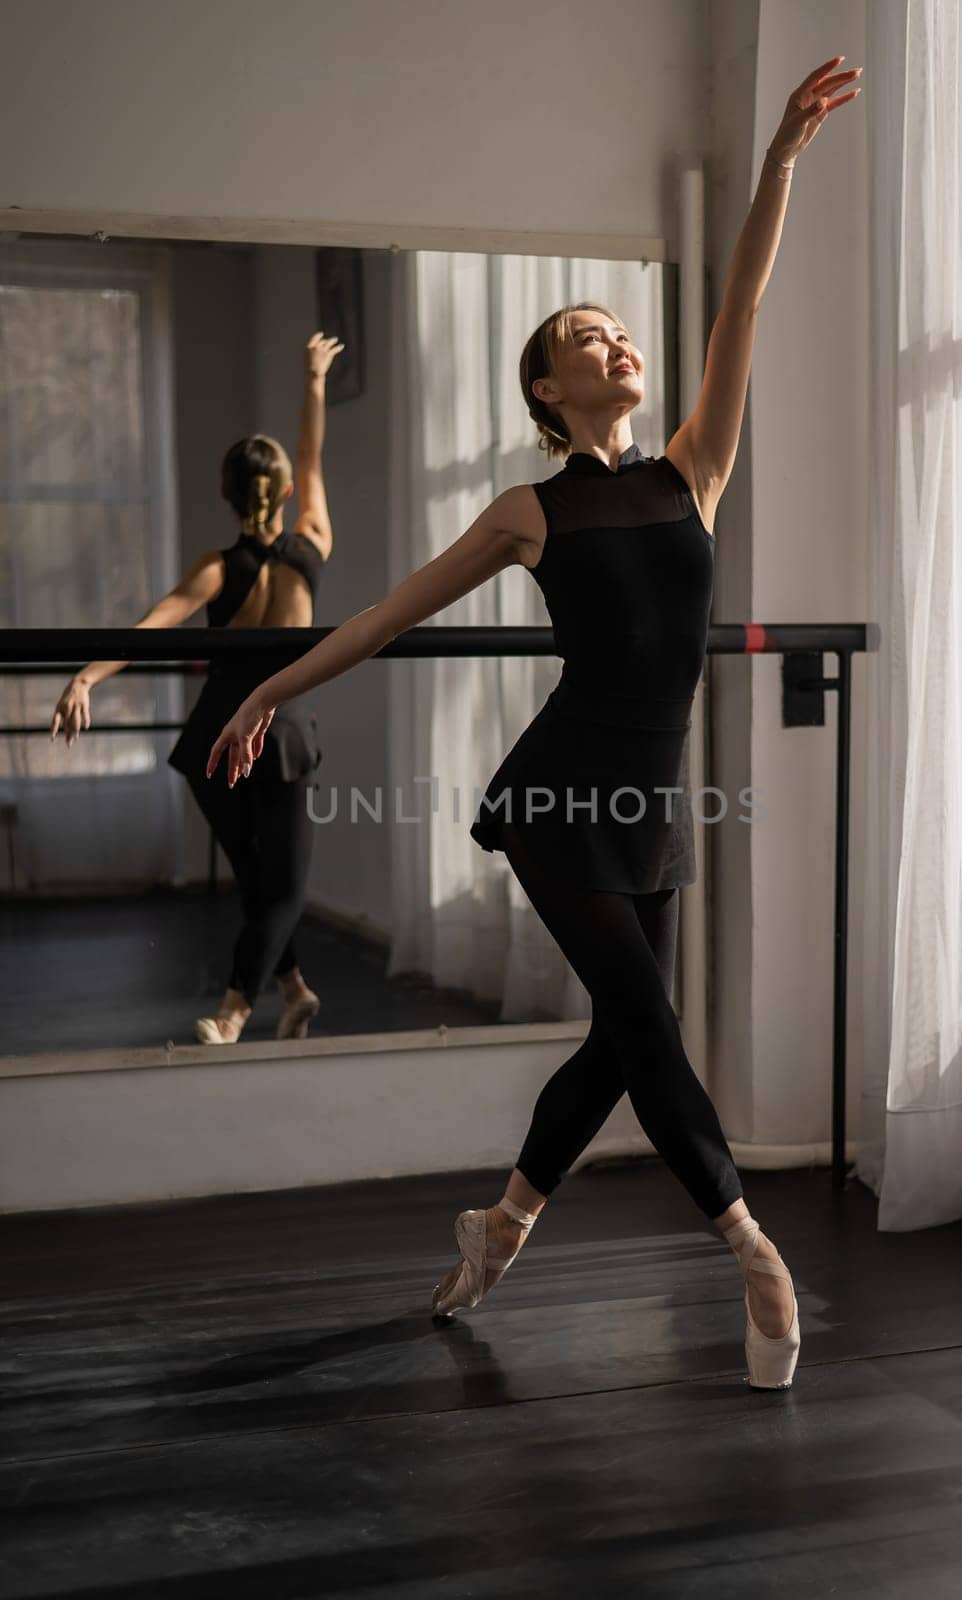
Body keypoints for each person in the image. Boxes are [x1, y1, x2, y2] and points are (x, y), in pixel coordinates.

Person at [205, 58, 862, 1389]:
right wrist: (272, 686)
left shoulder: (695, 467)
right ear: (548, 394)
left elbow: (742, 297)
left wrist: (782, 155)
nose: (616, 344)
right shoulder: (526, 510)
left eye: (619, 331)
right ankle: (751, 1248)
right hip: (562, 794)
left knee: (623, 1039)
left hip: (653, 801)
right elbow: (387, 611)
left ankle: (498, 1227)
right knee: (650, 1024)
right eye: (584, 340)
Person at [51, 332, 344, 1046]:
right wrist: (313, 381)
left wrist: (87, 675)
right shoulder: (312, 538)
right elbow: (311, 458)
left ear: (225, 493)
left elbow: (153, 625)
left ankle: (288, 994)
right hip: (279, 737)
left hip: (216, 738)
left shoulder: (216, 568)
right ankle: (237, 1010)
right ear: (283, 492)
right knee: (281, 891)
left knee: (258, 884)